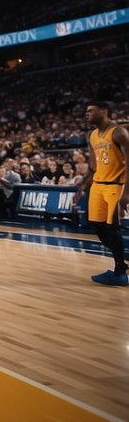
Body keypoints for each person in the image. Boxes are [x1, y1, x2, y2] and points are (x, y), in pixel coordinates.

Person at [76, 101, 128, 286]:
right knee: (97, 226)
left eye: (90, 110)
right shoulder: (92, 135)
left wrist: (126, 193)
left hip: (115, 185)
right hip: (97, 185)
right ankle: (121, 258)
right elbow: (93, 166)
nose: (86, 114)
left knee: (112, 228)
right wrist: (82, 186)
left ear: (104, 111)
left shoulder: (119, 132)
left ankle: (120, 272)